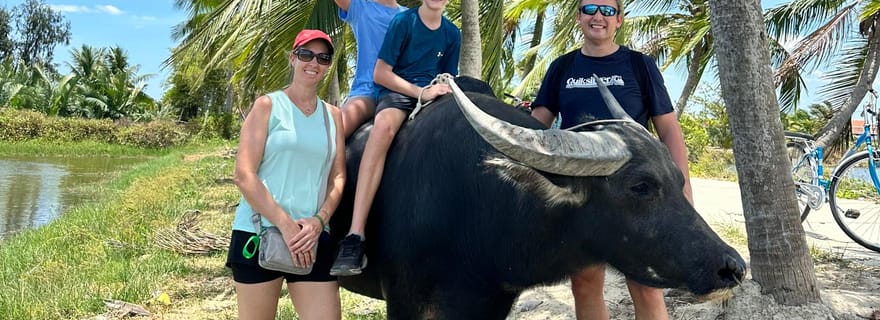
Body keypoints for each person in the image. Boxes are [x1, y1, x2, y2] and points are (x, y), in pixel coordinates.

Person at [529, 1, 693, 319]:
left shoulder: (638, 65)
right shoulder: (562, 68)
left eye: (607, 9)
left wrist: (683, 190)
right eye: (589, 7)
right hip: (583, 193)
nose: (598, 16)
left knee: (646, 283)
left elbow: (669, 130)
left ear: (619, 19)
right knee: (585, 283)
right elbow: (537, 127)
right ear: (578, 17)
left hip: (637, 194)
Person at [330, 0, 461, 276]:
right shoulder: (379, 13)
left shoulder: (449, 32)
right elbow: (383, 73)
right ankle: (351, 232)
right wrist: (421, 93)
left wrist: (439, 91)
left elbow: (447, 74)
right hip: (376, 90)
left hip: (423, 93)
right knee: (333, 136)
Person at [226, 29, 346, 320]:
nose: (313, 63)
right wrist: (287, 226)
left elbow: (338, 176)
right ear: (293, 58)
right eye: (306, 54)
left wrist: (319, 221)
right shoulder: (268, 105)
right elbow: (244, 175)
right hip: (260, 233)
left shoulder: (333, 115)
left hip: (312, 240)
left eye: (323, 58)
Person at [335, 0, 407, 138]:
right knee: (332, 135)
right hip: (368, 93)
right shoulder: (360, 7)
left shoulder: (411, 17)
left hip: (403, 91)